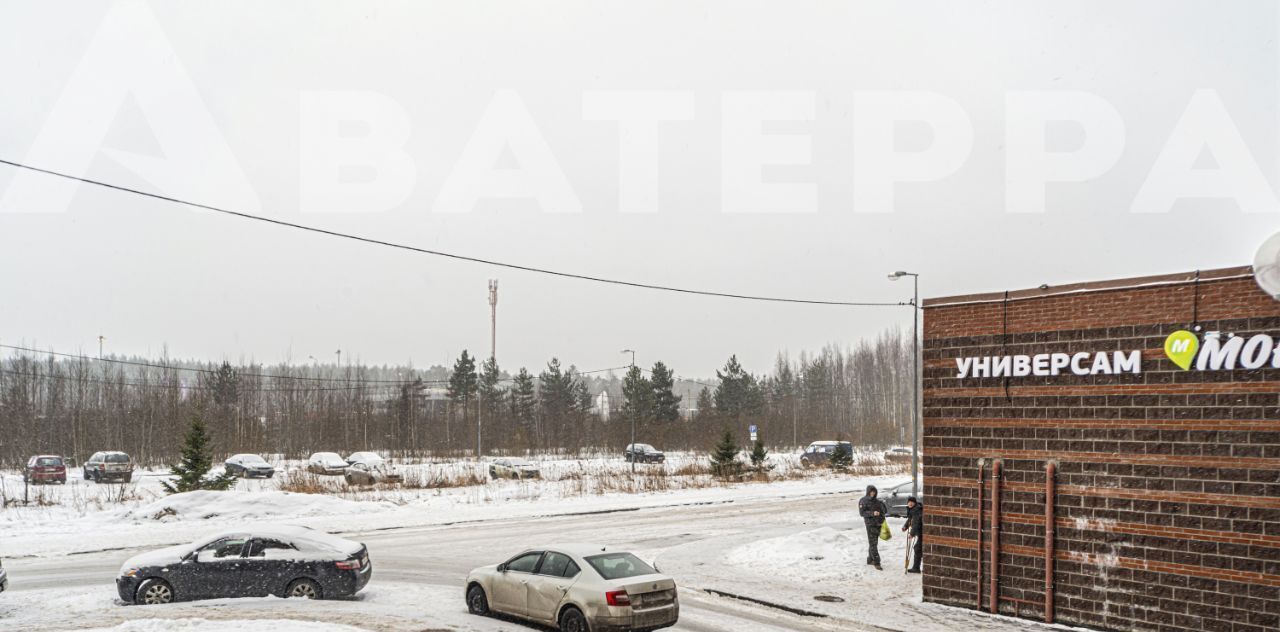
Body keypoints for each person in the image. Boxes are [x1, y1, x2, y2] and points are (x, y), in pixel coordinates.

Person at [858, 484, 887, 570]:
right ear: (868, 492)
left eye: (874, 492)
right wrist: (872, 513)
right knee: (873, 543)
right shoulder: (863, 501)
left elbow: (884, 512)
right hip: (870, 525)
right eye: (871, 492)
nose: (873, 493)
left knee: (874, 543)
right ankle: (877, 562)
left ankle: (870, 559)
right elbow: (862, 513)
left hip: (878, 524)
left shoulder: (877, 501)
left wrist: (883, 505)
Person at [902, 496, 924, 573]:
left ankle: (916, 568)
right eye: (909, 502)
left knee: (918, 548)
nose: (910, 503)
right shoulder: (913, 510)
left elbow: (916, 523)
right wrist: (905, 526)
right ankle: (916, 567)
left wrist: (911, 534)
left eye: (912, 502)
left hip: (923, 533)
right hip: (921, 533)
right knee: (918, 548)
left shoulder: (917, 510)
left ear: (915, 503)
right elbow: (910, 519)